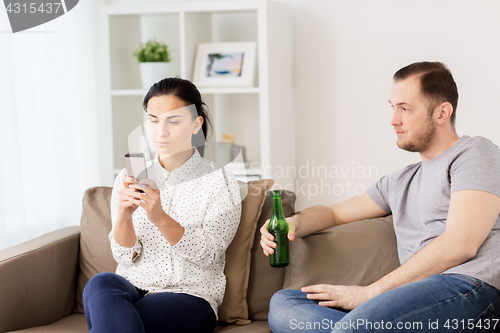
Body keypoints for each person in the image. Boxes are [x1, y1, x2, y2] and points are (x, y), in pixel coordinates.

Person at [261, 62, 500, 333]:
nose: (393, 120)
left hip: (469, 290)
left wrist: (370, 292)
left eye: (405, 109)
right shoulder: (397, 182)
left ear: (442, 112)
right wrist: (294, 223)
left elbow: (461, 243)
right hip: (409, 302)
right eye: (393, 107)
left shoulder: (475, 153)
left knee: (354, 327)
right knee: (284, 304)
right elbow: (334, 213)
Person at [83, 77, 242, 333]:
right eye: (154, 119)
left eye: (174, 120)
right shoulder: (129, 178)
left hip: (190, 295)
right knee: (99, 284)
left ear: (195, 124)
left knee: (118, 317)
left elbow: (210, 255)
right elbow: (125, 257)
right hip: (133, 286)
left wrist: (160, 217)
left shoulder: (220, 182)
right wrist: (124, 216)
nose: (161, 131)